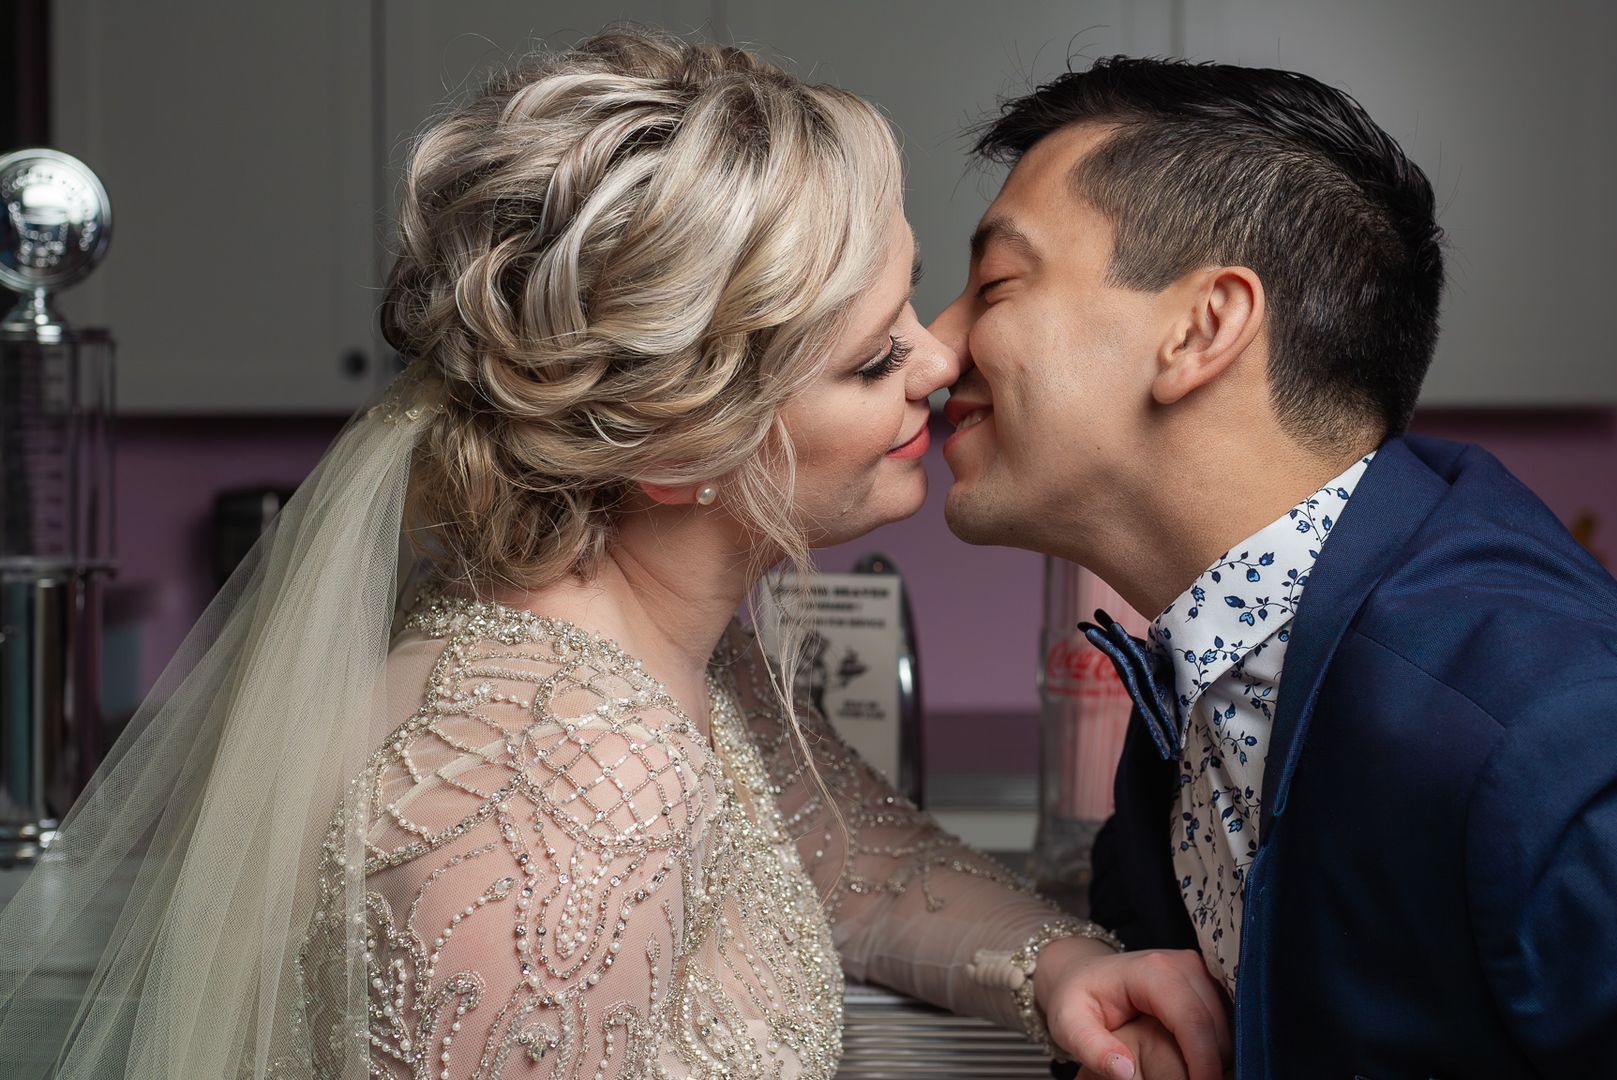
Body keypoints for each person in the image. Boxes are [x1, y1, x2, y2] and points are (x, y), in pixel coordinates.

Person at [0, 31, 1228, 1079]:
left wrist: (1058, 966)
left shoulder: (648, 652)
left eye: (907, 306)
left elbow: (850, 863)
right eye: (869, 360)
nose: (938, 361)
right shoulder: (552, 800)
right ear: (677, 452)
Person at [929, 57, 1617, 1077]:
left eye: (995, 285)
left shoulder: (1545, 728)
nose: (932, 345)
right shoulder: (1201, 667)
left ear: (1204, 327)